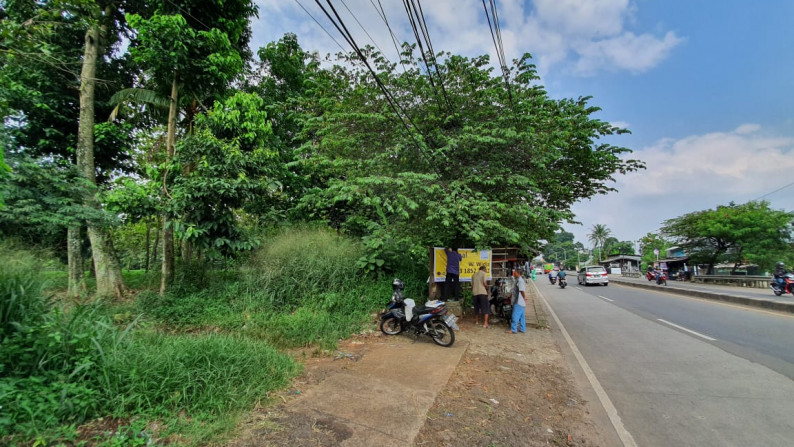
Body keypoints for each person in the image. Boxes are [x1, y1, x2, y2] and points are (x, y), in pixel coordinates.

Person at [507, 268, 526, 334]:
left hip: (518, 301)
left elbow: (522, 290)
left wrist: (524, 298)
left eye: (514, 272)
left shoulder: (520, 281)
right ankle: (522, 328)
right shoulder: (517, 280)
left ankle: (513, 329)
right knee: (522, 316)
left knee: (515, 315)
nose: (513, 273)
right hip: (521, 301)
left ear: (517, 273)